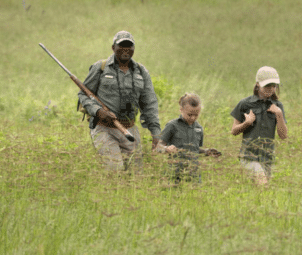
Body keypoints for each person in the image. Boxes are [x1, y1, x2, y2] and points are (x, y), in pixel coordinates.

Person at [78, 30, 160, 172]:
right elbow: (83, 94)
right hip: (104, 128)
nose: (125, 50)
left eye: (129, 46)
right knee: (114, 169)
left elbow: (149, 103)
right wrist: (98, 111)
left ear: (134, 49)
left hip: (130, 130)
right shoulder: (100, 67)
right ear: (113, 48)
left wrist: (156, 133)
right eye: (121, 45)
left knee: (135, 175)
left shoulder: (141, 72)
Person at [230, 66, 288, 185]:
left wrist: (279, 114)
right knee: (263, 184)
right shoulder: (245, 104)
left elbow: (283, 135)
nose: (271, 89)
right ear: (257, 84)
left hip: (267, 157)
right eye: (267, 85)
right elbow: (234, 131)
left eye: (274, 86)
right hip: (248, 155)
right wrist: (246, 123)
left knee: (260, 192)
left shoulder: (278, 106)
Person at [156, 93, 221, 183]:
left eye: (196, 115)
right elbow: (158, 147)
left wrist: (206, 151)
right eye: (189, 115)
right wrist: (166, 149)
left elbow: (194, 149)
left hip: (194, 173)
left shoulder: (199, 128)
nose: (193, 118)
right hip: (175, 173)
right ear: (181, 109)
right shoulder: (172, 125)